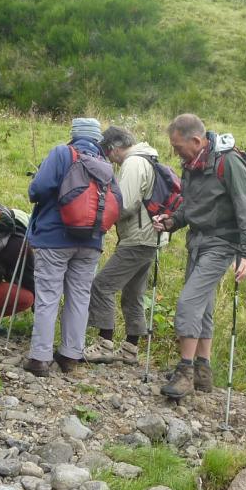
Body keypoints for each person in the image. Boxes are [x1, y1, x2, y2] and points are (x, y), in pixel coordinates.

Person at [149, 114, 246, 399]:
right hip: (197, 241)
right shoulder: (192, 165)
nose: (175, 152)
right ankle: (202, 370)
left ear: (196, 141)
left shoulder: (228, 163)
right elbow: (190, 205)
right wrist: (172, 221)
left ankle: (184, 372)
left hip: (222, 243)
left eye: (177, 146)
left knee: (188, 302)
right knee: (203, 306)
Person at [22, 118, 115, 376]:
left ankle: (40, 358)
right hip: (91, 243)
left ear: (73, 134)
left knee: (49, 297)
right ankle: (70, 356)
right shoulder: (105, 164)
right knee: (79, 298)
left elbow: (37, 190)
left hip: (54, 238)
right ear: (98, 139)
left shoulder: (63, 153)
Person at [84, 126, 168, 364]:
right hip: (151, 237)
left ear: (115, 148)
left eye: (108, 153)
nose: (110, 160)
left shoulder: (133, 164)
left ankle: (105, 344)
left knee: (102, 285)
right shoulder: (149, 159)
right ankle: (131, 348)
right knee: (133, 294)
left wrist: (101, 217)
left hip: (137, 238)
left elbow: (126, 204)